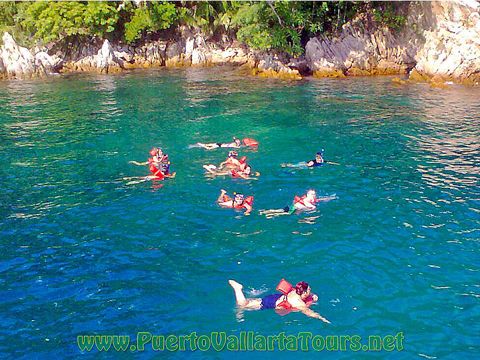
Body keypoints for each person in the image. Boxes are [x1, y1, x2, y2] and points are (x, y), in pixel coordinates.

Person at [228, 279, 330, 323]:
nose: (310, 291)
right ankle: (238, 288)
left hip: (275, 297)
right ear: (303, 293)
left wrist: (312, 296)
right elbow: (309, 313)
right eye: (309, 290)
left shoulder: (296, 290)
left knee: (251, 302)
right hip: (271, 303)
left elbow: (306, 296)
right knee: (242, 305)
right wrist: (322, 318)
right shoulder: (298, 303)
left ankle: (242, 294)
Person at [259, 190, 337, 218]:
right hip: (294, 209)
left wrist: (329, 198)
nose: (314, 195)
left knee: (280, 210)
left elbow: (318, 200)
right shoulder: (308, 201)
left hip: (292, 206)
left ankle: (265, 211)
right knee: (282, 213)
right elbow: (312, 209)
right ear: (308, 195)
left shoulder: (309, 199)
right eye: (312, 194)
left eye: (314, 194)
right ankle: (269, 214)